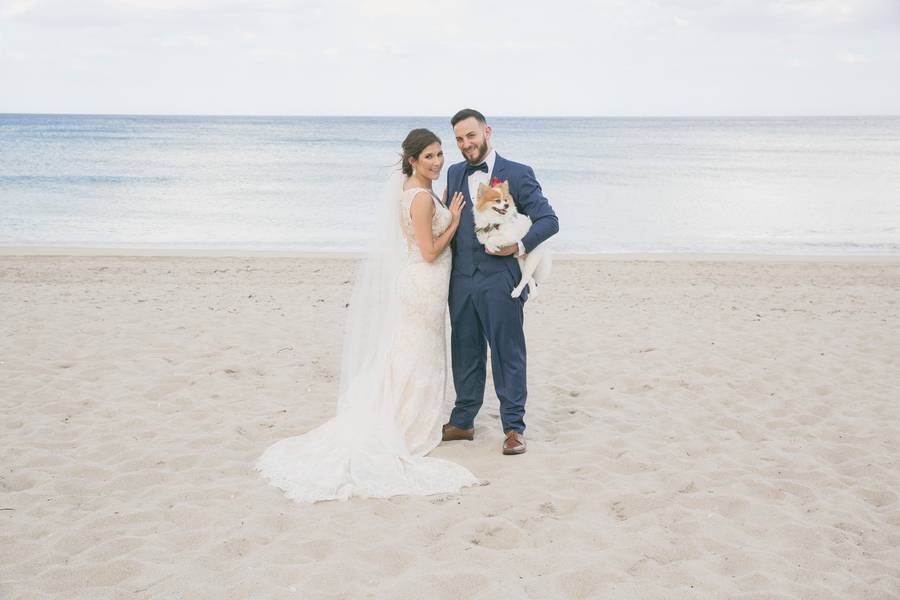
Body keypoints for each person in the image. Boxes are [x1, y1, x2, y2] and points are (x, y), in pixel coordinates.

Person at [256, 129, 480, 502]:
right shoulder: (421, 198)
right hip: (423, 281)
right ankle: (408, 422)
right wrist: (454, 220)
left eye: (440, 154)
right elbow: (428, 251)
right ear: (412, 160)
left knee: (410, 350)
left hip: (421, 284)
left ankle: (406, 411)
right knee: (417, 352)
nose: (438, 161)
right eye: (430, 156)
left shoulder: (410, 190)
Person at [441, 109, 559, 455]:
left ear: (487, 132)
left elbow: (549, 220)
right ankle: (463, 421)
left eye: (471, 136)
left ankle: (513, 428)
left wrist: (518, 247)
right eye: (459, 139)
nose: (466, 145)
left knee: (508, 352)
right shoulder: (453, 172)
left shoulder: (518, 174)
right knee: (464, 350)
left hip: (501, 279)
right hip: (461, 279)